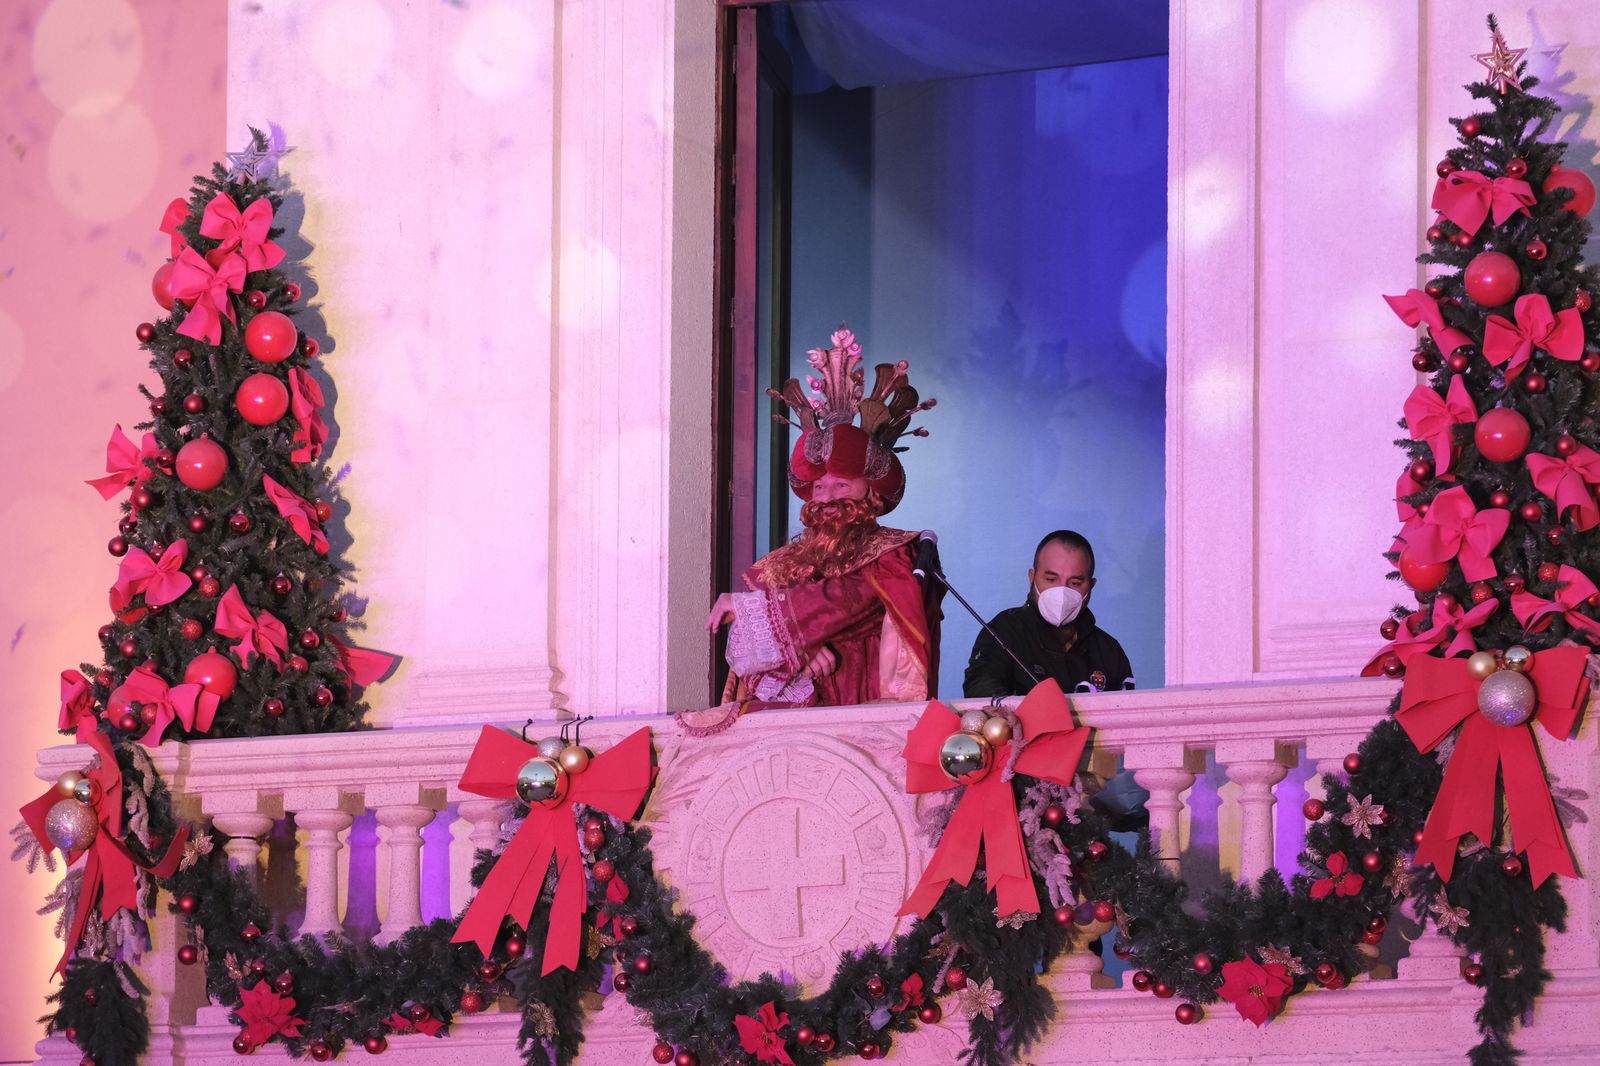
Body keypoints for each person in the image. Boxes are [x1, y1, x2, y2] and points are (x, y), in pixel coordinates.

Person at [678, 328, 943, 734]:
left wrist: (780, 625)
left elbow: (854, 598)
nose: (828, 497)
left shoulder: (892, 552)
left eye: (842, 484)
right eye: (819, 486)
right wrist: (799, 646)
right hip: (789, 717)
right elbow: (754, 654)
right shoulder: (779, 566)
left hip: (861, 700)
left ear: (870, 491)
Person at [963, 530, 1132, 698]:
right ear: (1032, 578)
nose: (1062, 591)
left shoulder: (1108, 650)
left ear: (1091, 585)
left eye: (1075, 582)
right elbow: (980, 687)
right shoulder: (1003, 632)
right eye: (1051, 579)